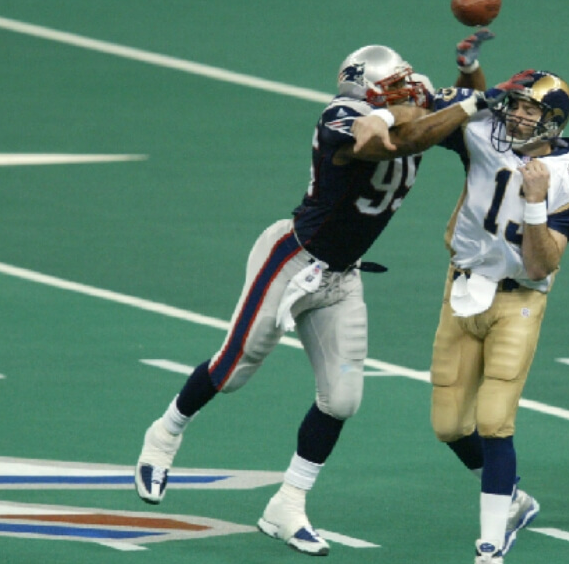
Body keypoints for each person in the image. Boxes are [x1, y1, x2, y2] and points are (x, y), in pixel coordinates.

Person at [132, 44, 505, 556]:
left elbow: (470, 116)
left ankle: (287, 503)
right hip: (290, 260)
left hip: (342, 278)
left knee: (344, 397)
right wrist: (458, 105)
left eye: (405, 82)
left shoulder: (412, 107)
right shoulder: (341, 116)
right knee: (235, 368)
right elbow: (390, 142)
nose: (408, 89)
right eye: (393, 86)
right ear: (366, 90)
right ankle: (164, 434)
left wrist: (469, 78)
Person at [421, 31, 569, 564]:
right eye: (517, 106)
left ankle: (489, 544)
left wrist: (533, 205)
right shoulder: (487, 134)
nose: (517, 117)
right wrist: (469, 70)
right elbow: (458, 113)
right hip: (462, 285)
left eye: (529, 110)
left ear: (554, 122)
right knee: (449, 426)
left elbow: (542, 263)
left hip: (518, 299)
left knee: (495, 419)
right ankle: (514, 498)